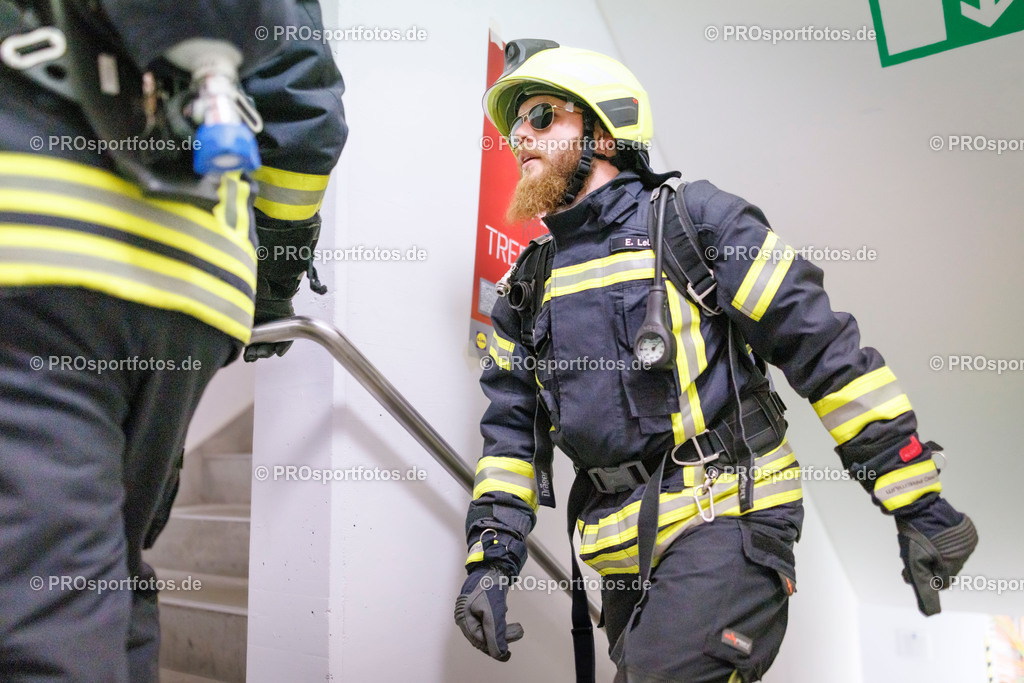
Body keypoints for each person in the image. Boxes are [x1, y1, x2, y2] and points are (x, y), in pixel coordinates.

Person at [453, 39, 977, 683]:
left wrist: (917, 501)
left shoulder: (696, 223)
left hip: (727, 517)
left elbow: (826, 352)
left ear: (605, 130)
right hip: (620, 558)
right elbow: (510, 437)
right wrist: (491, 561)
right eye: (512, 130)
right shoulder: (526, 287)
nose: (520, 140)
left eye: (540, 118)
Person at [0, 1, 345, 679]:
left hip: (36, 242)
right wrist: (269, 286)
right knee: (106, 569)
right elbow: (305, 107)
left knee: (41, 608)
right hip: (196, 280)